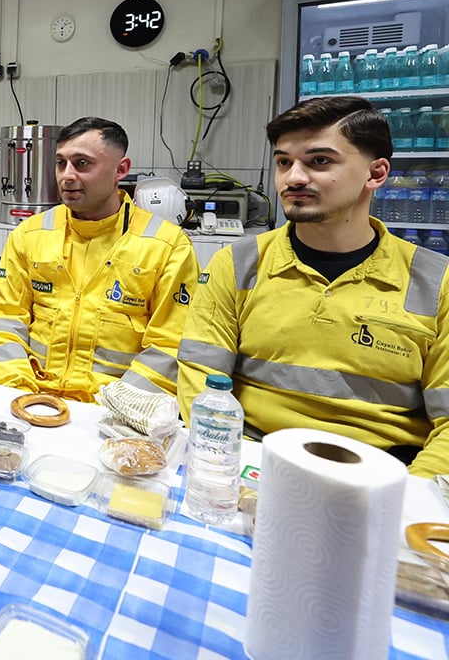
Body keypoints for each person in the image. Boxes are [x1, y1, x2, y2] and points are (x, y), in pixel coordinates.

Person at [178, 96, 449, 477]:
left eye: (319, 161)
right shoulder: (237, 265)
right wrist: (227, 470)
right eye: (283, 162)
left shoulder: (436, 283)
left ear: (375, 173)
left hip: (383, 474)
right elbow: (200, 382)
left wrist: (409, 495)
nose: (294, 178)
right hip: (253, 463)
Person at [0, 117, 199, 402]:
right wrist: (20, 396)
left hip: (116, 412)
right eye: (61, 163)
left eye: (82, 163)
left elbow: (170, 345)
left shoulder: (167, 246)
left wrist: (111, 409)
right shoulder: (30, 234)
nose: (67, 176)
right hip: (31, 400)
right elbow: (5, 322)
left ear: (121, 169)